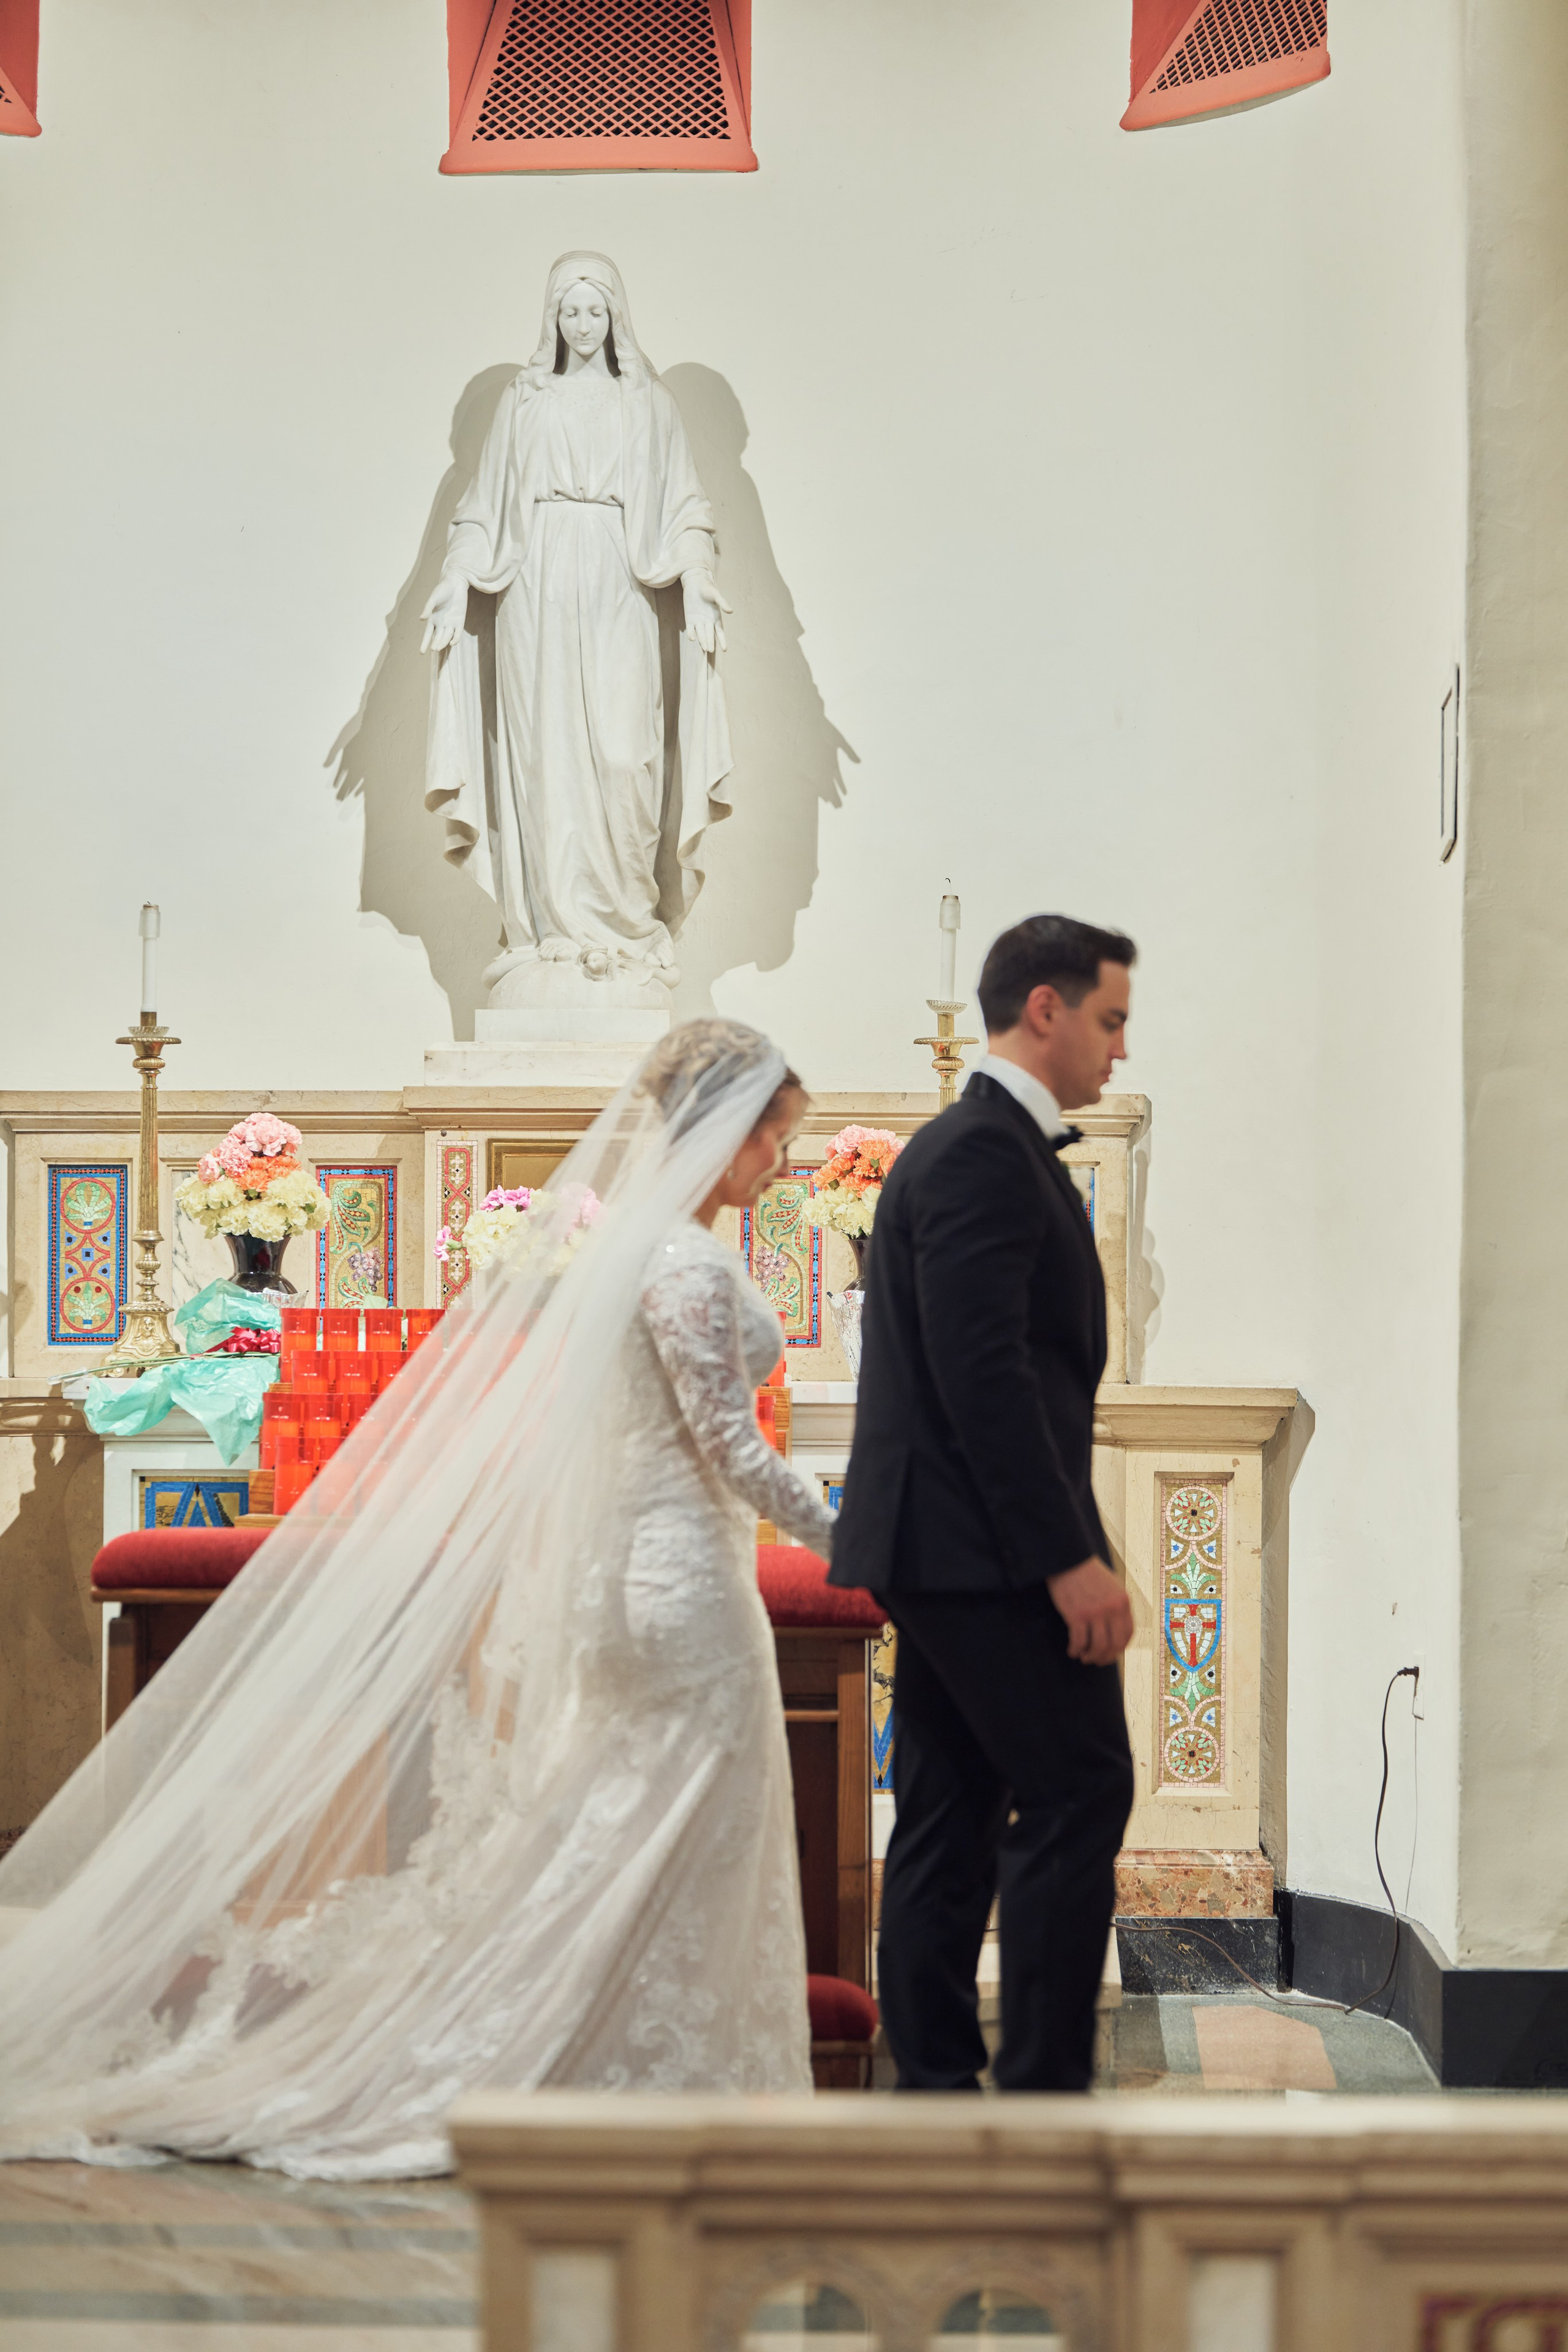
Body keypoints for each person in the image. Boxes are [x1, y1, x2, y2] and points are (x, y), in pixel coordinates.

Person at [0, 1020, 835, 2178]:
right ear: (726, 1128)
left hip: (653, 1575)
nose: (780, 1165)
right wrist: (857, 1538)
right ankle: (626, 2066)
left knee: (628, 1829)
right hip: (680, 1587)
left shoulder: (636, 1249)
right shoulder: (684, 1264)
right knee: (660, 1828)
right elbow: (730, 1449)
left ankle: (627, 2058)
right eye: (773, 1138)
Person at [830, 914, 1138, 2093]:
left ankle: (937, 2092)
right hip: (981, 1550)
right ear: (1045, 1010)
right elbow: (984, 1375)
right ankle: (1044, 2093)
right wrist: (1069, 1557)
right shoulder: (979, 1154)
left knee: (952, 1805)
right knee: (1079, 1789)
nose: (1120, 1048)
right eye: (1110, 1019)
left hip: (952, 1543)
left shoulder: (984, 1149)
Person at [421, 250, 733, 997]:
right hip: (536, 586)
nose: (584, 325)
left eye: (596, 310)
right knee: (546, 761)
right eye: (570, 311)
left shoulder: (648, 403)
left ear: (616, 315)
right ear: (552, 318)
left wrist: (696, 579)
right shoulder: (525, 401)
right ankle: (547, 937)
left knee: (626, 759)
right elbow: (481, 509)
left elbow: (687, 508)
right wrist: (456, 579)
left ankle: (626, 931)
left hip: (621, 581)